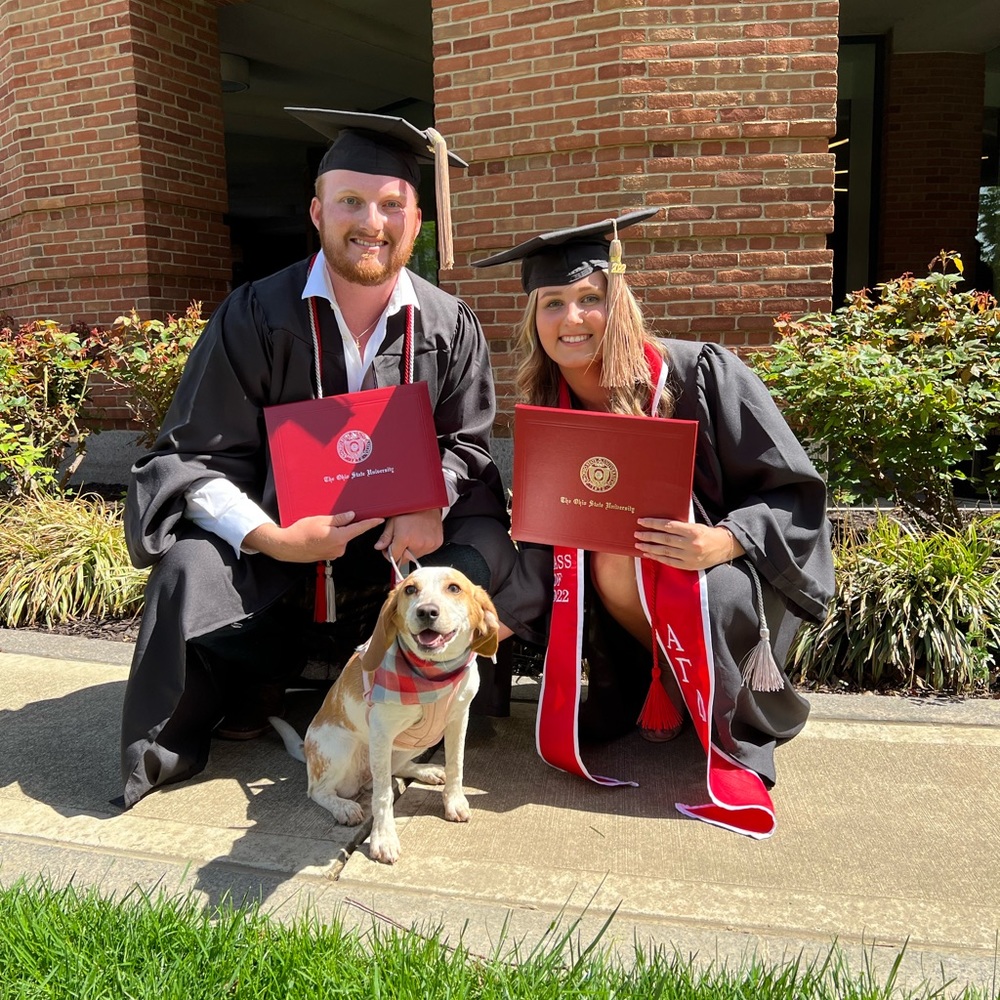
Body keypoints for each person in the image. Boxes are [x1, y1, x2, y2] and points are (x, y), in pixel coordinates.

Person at [118, 109, 547, 810]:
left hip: (407, 533)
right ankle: (226, 702)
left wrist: (429, 495)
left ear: (415, 223)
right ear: (317, 212)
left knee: (488, 544)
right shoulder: (255, 314)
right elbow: (195, 451)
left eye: (390, 206)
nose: (370, 222)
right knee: (193, 567)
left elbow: (468, 441)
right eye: (350, 202)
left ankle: (429, 702)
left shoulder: (448, 322)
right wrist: (271, 537)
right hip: (287, 531)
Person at [473, 210, 834, 834]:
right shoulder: (548, 413)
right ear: (534, 320)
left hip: (724, 581)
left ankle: (727, 727)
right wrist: (494, 619)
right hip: (620, 600)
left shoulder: (702, 375)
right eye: (552, 303)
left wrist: (722, 540)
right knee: (602, 558)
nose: (573, 318)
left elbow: (795, 493)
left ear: (620, 302)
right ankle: (652, 682)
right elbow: (543, 539)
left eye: (591, 298)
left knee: (704, 582)